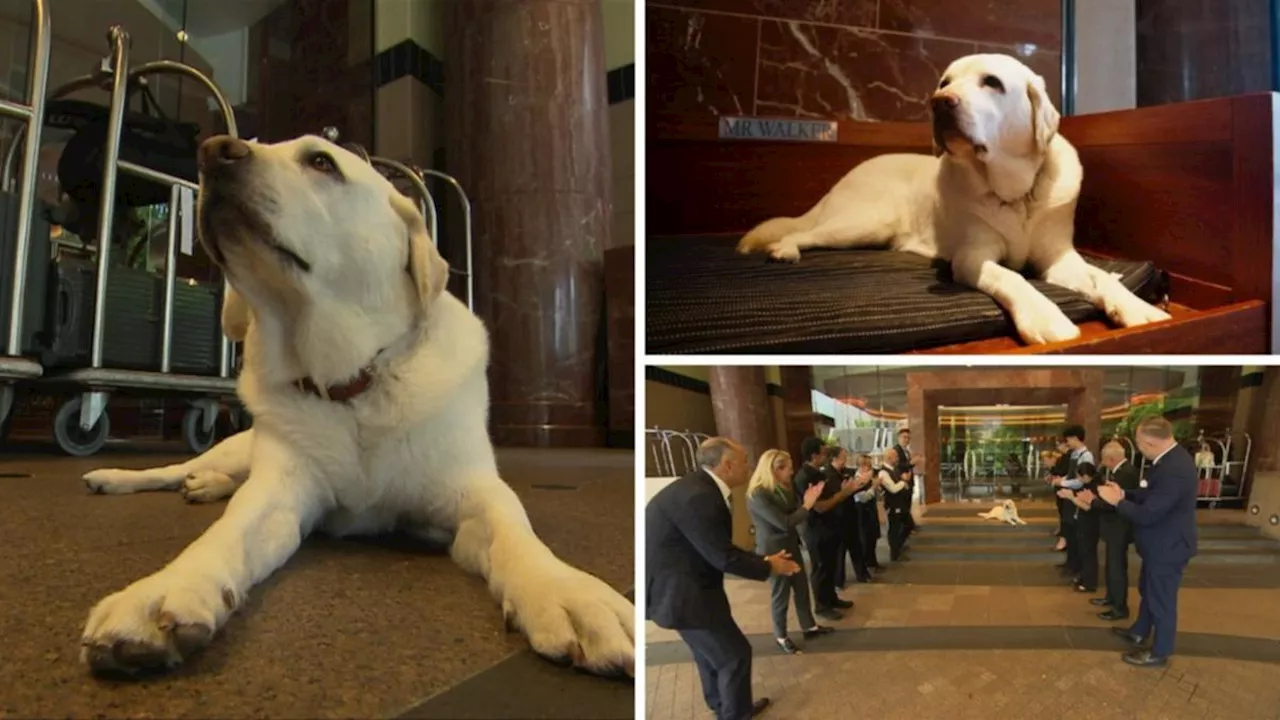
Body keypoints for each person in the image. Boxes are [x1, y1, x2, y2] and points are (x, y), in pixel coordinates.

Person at [647, 437, 803, 719]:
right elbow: (722, 555)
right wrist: (770, 566)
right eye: (744, 461)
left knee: (710, 656)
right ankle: (734, 713)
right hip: (684, 596)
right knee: (734, 656)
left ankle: (724, 706)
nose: (749, 466)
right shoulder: (700, 497)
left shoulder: (698, 487)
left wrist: (763, 561)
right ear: (727, 465)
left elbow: (712, 548)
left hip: (684, 592)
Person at [1097, 417, 1198, 668]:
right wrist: (1125, 493)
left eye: (1140, 442)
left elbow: (1149, 513)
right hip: (1160, 545)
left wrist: (1117, 502)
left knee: (1162, 599)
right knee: (1149, 591)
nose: (1138, 447)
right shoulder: (1167, 461)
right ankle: (1139, 630)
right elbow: (1151, 495)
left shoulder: (1174, 468)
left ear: (1151, 442)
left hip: (1169, 546)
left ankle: (1159, 651)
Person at [746, 449, 834, 654]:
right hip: (774, 550)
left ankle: (809, 627)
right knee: (781, 594)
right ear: (773, 469)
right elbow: (784, 523)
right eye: (786, 468)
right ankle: (781, 636)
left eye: (791, 468)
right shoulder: (758, 493)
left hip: (791, 544)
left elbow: (794, 514)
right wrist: (807, 505)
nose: (791, 472)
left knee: (801, 588)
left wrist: (805, 504)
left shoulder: (784, 487)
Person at [793, 438, 858, 620]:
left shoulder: (818, 473)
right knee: (820, 567)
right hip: (816, 529)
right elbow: (819, 506)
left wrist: (842, 491)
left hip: (829, 527)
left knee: (830, 564)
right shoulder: (805, 476)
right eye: (823, 452)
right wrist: (843, 494)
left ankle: (831, 598)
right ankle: (822, 606)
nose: (825, 456)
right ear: (814, 455)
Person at [1090, 441, 1139, 621]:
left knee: (1116, 567)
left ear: (1110, 458)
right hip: (1115, 527)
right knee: (1112, 565)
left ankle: (1119, 607)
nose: (1103, 463)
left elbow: (1114, 502)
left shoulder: (1126, 473)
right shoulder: (1122, 471)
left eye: (1104, 459)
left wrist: (1092, 501)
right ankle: (1111, 597)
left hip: (1119, 527)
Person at [827, 446, 872, 587]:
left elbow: (855, 486)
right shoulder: (829, 474)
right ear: (834, 458)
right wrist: (847, 489)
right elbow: (836, 494)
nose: (845, 460)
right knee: (840, 551)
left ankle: (862, 574)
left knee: (856, 546)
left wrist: (862, 483)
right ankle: (838, 580)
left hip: (850, 513)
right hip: (838, 516)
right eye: (843, 457)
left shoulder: (846, 472)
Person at [1059, 462, 1101, 593]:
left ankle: (1089, 582)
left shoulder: (1094, 487)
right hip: (1082, 522)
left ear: (1087, 476)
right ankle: (1083, 577)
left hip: (1090, 524)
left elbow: (1088, 507)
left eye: (1080, 477)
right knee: (1083, 552)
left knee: (1088, 554)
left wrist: (1071, 497)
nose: (1079, 480)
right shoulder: (1087, 485)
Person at [879, 447, 912, 561]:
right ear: (889, 458)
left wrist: (904, 482)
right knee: (894, 529)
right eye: (895, 457)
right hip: (892, 505)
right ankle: (895, 553)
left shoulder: (895, 469)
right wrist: (903, 481)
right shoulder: (883, 472)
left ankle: (898, 546)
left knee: (908, 524)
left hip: (901, 504)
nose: (897, 458)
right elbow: (893, 489)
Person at [852, 454, 883, 572]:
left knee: (873, 536)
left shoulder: (869, 479)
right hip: (862, 512)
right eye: (868, 467)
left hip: (870, 510)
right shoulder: (856, 479)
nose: (870, 470)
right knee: (865, 538)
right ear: (862, 467)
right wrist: (873, 488)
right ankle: (866, 563)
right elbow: (861, 498)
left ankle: (872, 561)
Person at [893, 428, 920, 536]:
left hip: (909, 481)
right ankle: (907, 527)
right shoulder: (896, 450)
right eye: (904, 437)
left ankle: (908, 527)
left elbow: (908, 465)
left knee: (907, 505)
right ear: (899, 438)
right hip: (901, 482)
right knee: (903, 506)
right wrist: (911, 463)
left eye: (908, 438)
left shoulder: (906, 450)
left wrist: (911, 463)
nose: (906, 440)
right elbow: (897, 465)